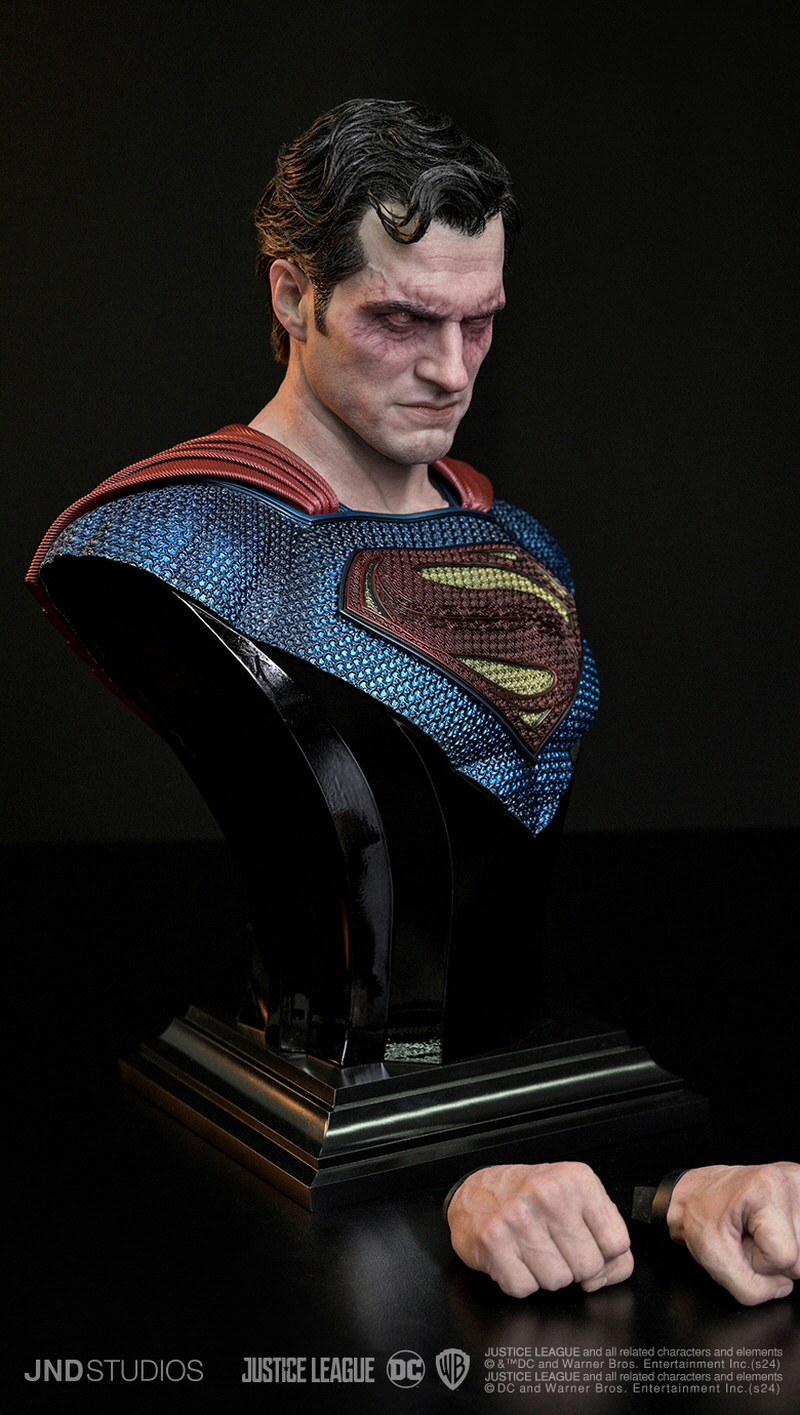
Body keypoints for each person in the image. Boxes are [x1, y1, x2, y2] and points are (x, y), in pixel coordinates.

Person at [29, 99, 798, 1306]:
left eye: (477, 321)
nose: (449, 371)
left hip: (519, 1067)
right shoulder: (162, 543)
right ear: (294, 295)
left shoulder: (516, 540)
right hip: (324, 1101)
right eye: (399, 320)